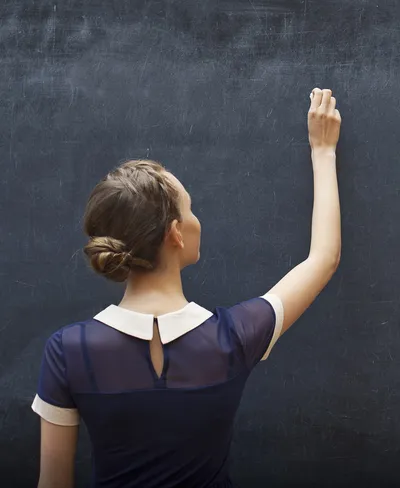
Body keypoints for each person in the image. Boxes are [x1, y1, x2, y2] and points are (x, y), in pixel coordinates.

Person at [32, 88, 341, 488]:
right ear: (176, 234)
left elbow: (52, 483)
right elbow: (324, 258)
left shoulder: (67, 351)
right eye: (190, 208)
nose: (197, 218)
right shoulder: (233, 337)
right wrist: (323, 151)